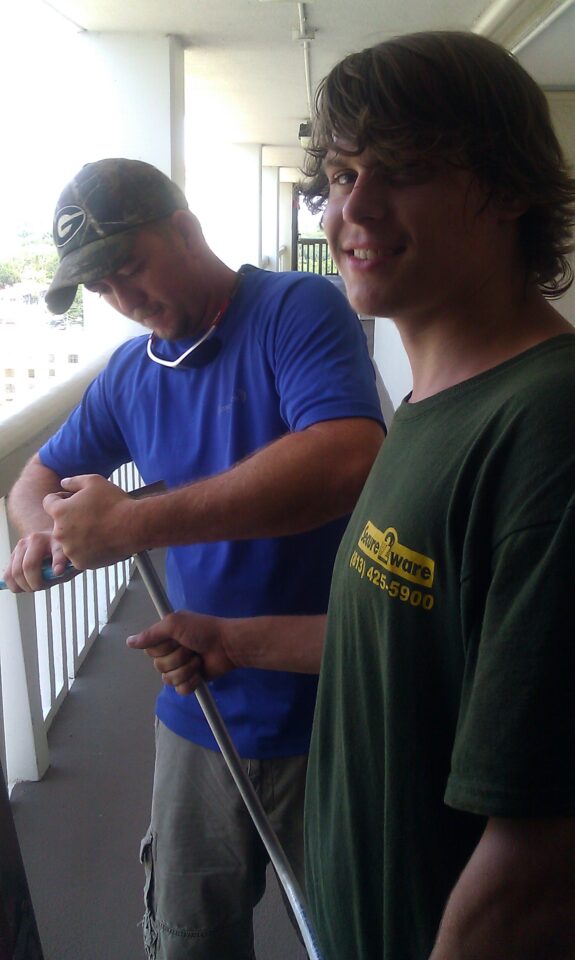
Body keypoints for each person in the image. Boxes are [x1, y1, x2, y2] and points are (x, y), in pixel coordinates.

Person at [128, 31, 575, 959]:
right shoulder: (429, 410)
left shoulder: (546, 429)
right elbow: (420, 645)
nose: (352, 208)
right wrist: (235, 641)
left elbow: (538, 857)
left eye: (403, 169)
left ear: (510, 190)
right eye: (339, 173)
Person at [3, 156, 385, 960]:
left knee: (355, 932)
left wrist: (132, 526)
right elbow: (33, 479)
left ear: (185, 229)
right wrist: (44, 531)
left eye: (128, 265)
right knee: (188, 937)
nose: (122, 297)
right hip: (195, 711)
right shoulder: (129, 374)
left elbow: (346, 457)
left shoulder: (295, 308)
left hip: (330, 705)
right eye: (100, 285)